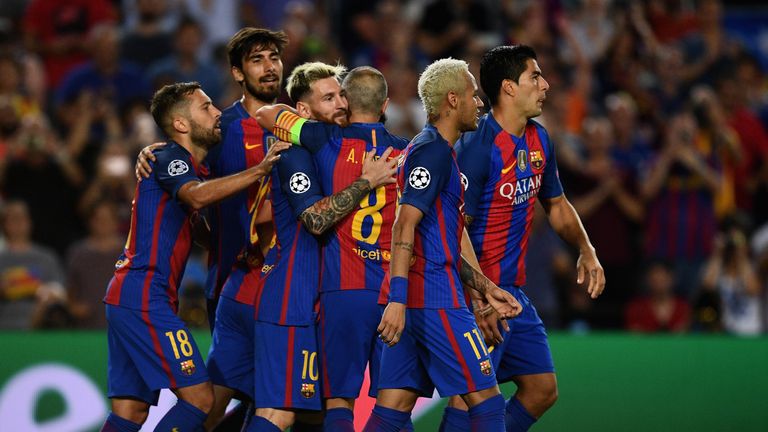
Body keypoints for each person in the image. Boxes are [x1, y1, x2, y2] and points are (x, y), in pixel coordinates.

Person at [100, 81, 288, 432]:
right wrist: (260, 170)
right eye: (206, 107)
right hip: (144, 296)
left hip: (130, 294)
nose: (217, 112)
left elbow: (199, 227)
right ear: (182, 124)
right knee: (200, 399)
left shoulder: (184, 165)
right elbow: (196, 196)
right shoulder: (170, 158)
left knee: (131, 411)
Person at [442, 45, 605, 432]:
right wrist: (479, 299)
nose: (545, 85)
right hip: (476, 296)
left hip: (514, 294)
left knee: (541, 390)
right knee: (469, 400)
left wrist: (586, 248)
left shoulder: (539, 140)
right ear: (508, 88)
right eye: (535, 76)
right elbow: (453, 230)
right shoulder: (476, 149)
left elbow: (558, 204)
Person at [363, 58, 521, 432]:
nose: (480, 102)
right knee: (488, 403)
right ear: (452, 99)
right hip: (434, 300)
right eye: (472, 94)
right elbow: (404, 224)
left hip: (417, 299)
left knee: (393, 410)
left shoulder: (435, 150)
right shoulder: (431, 151)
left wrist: (486, 288)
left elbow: (441, 240)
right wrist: (398, 299)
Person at [245, 61, 398, 432]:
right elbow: (313, 220)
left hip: (325, 296)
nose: (341, 105)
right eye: (329, 98)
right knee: (278, 411)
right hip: (291, 298)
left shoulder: (328, 143)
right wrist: (365, 181)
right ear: (304, 111)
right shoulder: (300, 150)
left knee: (304, 411)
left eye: (342, 95)